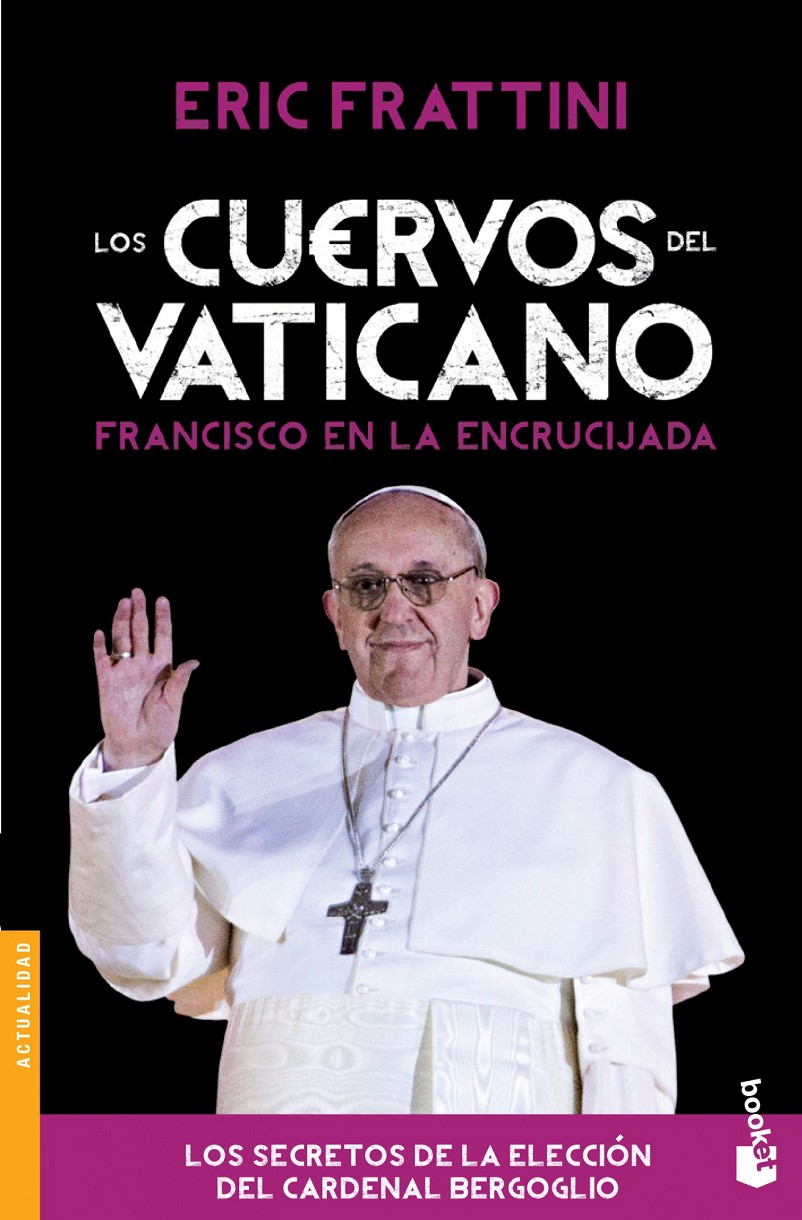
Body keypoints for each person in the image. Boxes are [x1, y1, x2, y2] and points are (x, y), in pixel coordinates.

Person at [69, 485, 743, 1115]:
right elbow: (143, 959)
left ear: (479, 606)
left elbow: (627, 1048)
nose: (394, 611)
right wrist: (132, 763)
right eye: (366, 585)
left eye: (424, 581)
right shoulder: (237, 776)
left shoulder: (601, 789)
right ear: (336, 615)